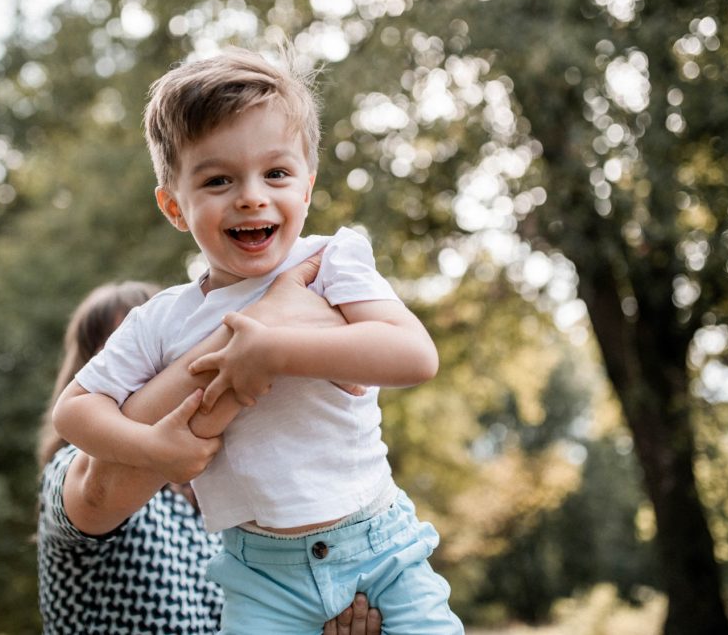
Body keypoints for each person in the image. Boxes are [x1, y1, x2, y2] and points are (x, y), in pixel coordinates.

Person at [52, 48, 463, 633]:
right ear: (174, 206)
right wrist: (157, 452)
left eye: (276, 173)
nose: (251, 196)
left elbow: (415, 356)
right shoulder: (162, 321)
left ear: (307, 185)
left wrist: (274, 349)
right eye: (218, 180)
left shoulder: (329, 263)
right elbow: (75, 411)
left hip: (379, 548)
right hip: (260, 573)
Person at [38, 276, 385, 634]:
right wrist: (266, 319)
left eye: (161, 357)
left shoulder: (239, 497)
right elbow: (94, 491)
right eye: (118, 356)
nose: (146, 374)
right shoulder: (65, 468)